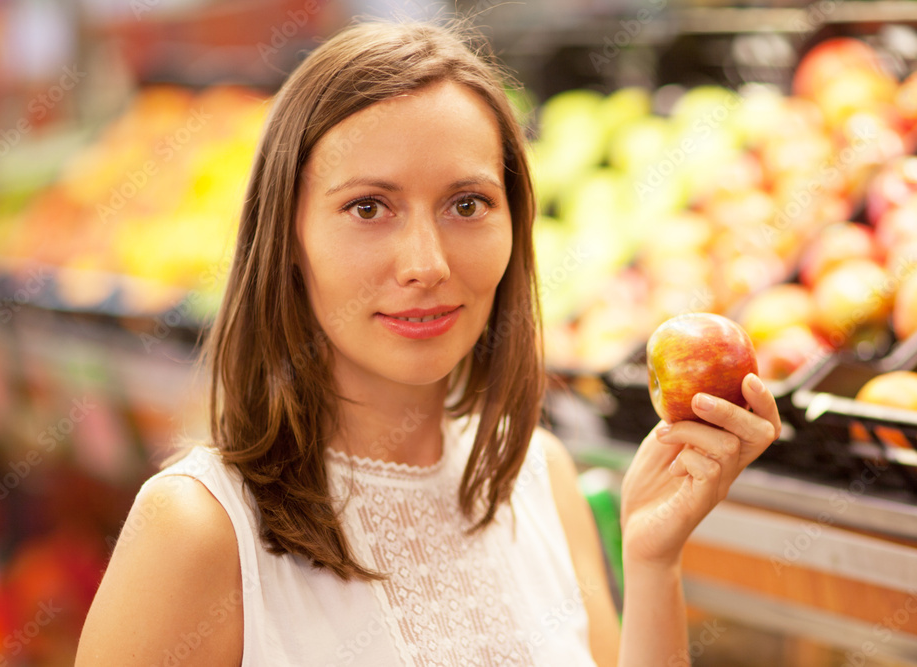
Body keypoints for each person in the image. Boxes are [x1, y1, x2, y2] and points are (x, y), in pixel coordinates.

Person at [75, 20, 779, 667]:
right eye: (368, 207)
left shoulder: (540, 477)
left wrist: (654, 564)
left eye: (467, 204)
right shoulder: (198, 529)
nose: (427, 264)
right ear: (286, 235)